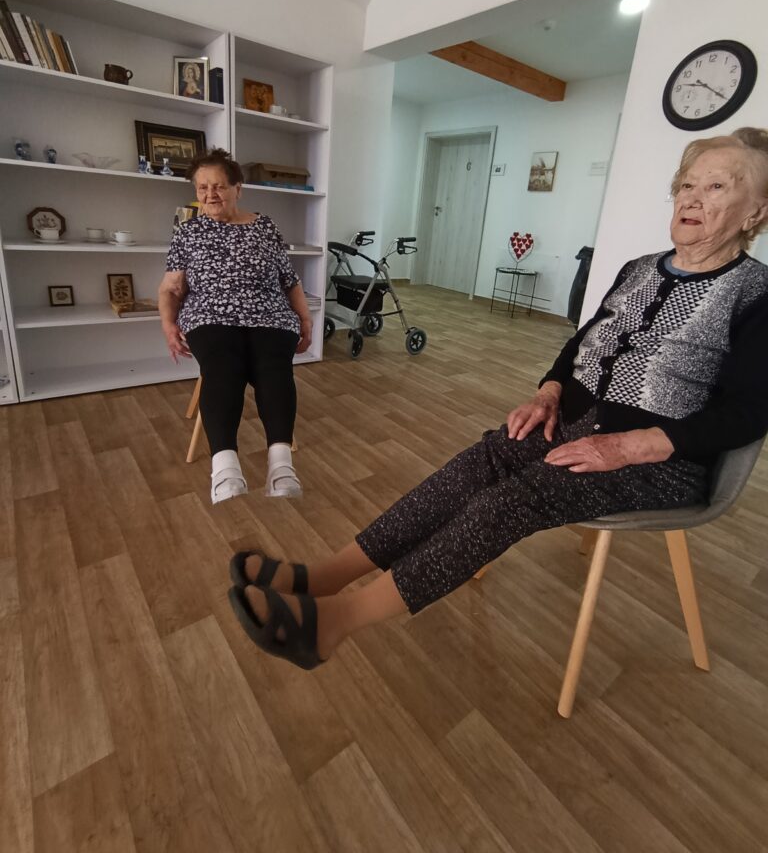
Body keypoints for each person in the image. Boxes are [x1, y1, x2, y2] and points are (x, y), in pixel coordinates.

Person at [227, 130, 768, 670]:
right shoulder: (641, 268)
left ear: (756, 212)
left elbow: (751, 411)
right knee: (474, 464)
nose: (692, 199)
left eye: (716, 187)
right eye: (687, 184)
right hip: (574, 425)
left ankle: (333, 623)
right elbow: (583, 343)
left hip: (661, 463)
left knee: (512, 500)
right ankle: (324, 577)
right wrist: (550, 391)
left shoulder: (757, 293)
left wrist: (633, 445)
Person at [158, 148, 312, 503]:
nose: (210, 194)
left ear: (237, 188)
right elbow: (170, 288)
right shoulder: (188, 232)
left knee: (273, 366)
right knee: (223, 366)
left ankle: (280, 466)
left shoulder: (265, 226)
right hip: (210, 314)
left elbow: (289, 280)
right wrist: (168, 325)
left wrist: (304, 318)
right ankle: (224, 469)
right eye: (202, 188)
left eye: (219, 186)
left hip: (269, 313)